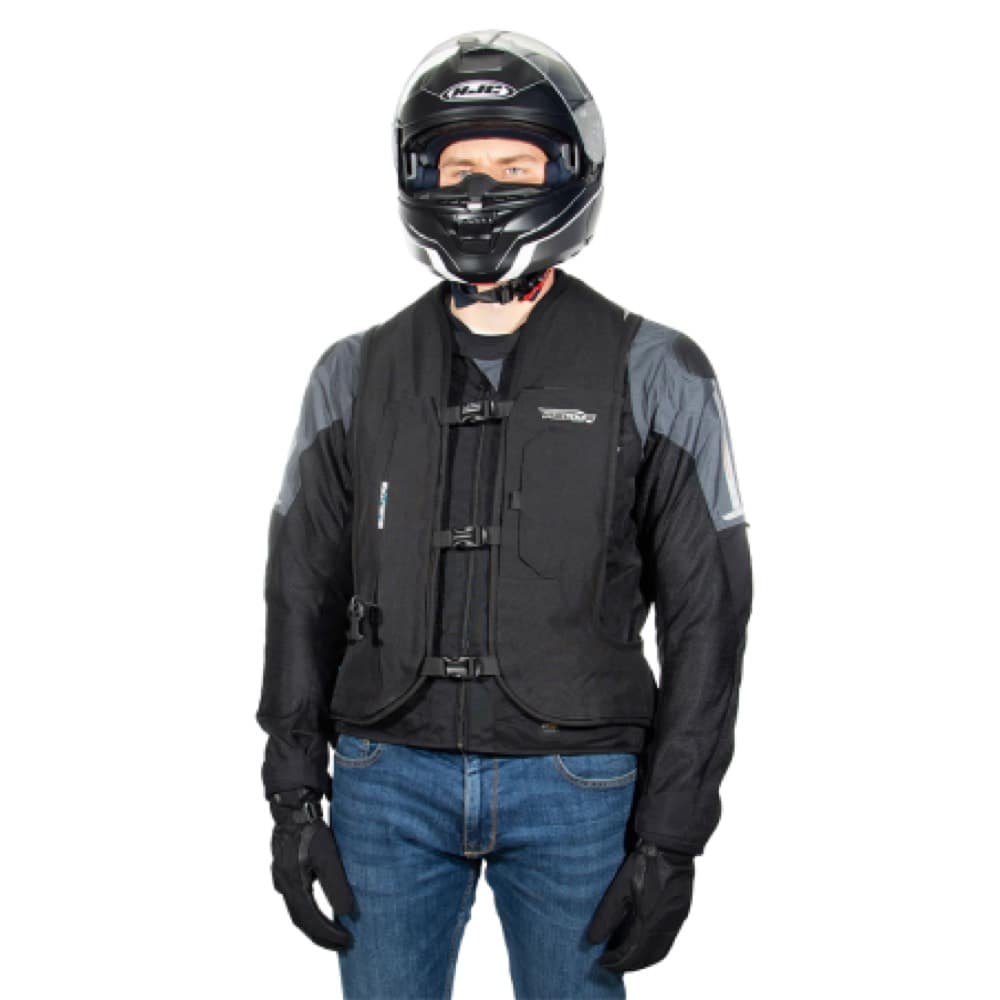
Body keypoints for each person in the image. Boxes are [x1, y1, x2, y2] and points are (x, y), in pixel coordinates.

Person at [257, 28, 752, 1000]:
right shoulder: (352, 373)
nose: (482, 188)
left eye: (514, 165)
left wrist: (672, 835)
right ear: (420, 178)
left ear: (566, 172)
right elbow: (299, 594)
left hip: (577, 786)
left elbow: (708, 616)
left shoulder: (657, 368)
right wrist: (293, 795)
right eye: (460, 166)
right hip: (384, 779)